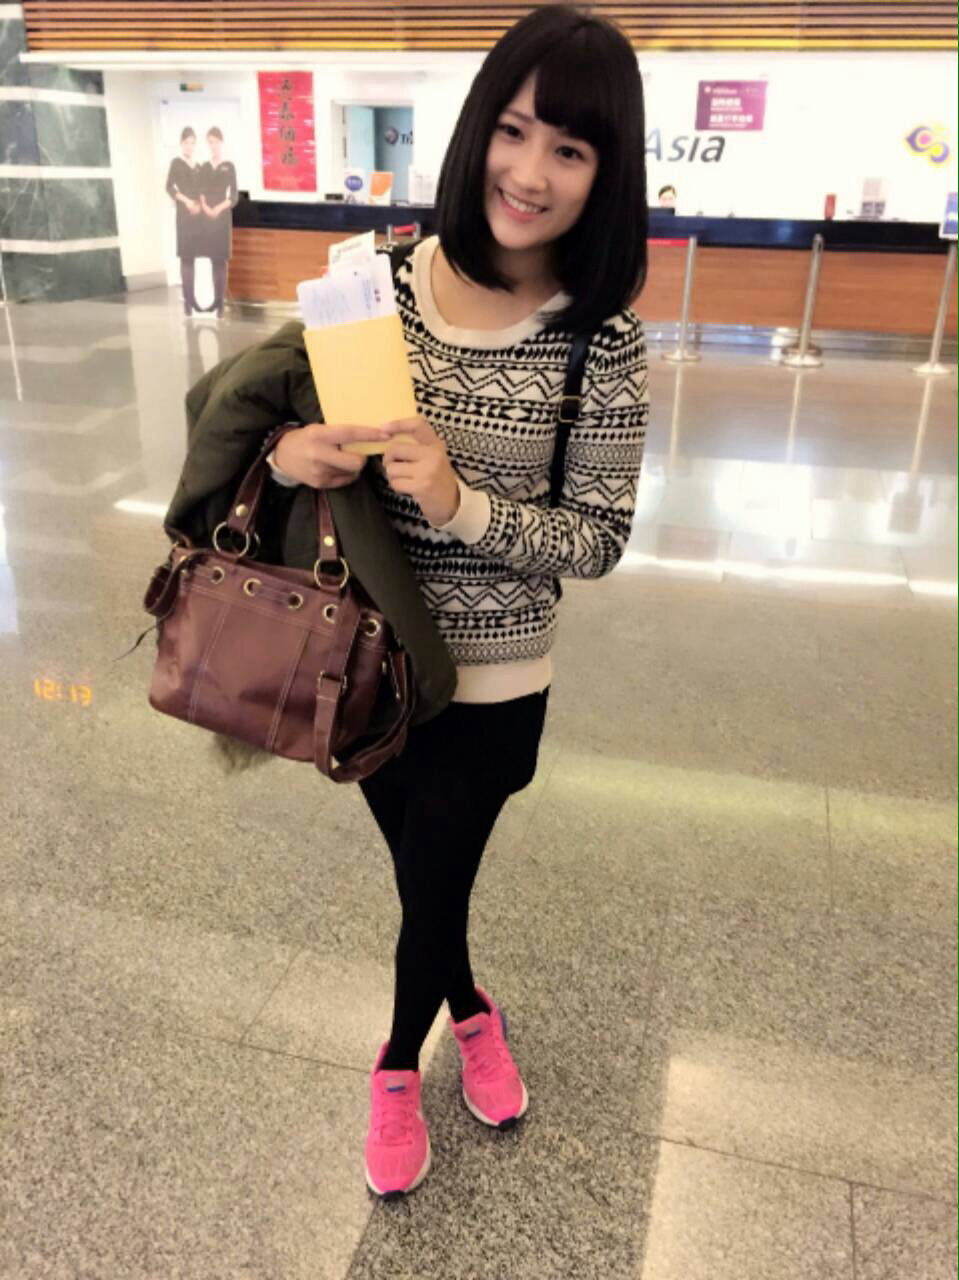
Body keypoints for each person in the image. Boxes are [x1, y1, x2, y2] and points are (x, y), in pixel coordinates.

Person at [269, 3, 649, 1200]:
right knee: (427, 881)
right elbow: (268, 424)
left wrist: (461, 502)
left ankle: (396, 1063)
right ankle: (471, 1006)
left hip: (492, 686)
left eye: (569, 149)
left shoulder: (600, 341)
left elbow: (597, 538)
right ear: (479, 125)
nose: (529, 173)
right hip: (363, 660)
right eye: (515, 130)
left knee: (434, 877)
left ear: (603, 173)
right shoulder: (373, 279)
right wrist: (291, 455)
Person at [198, 126, 239, 319]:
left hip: (222, 216)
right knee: (213, 259)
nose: (212, 146)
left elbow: (234, 196)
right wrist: (206, 208)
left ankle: (221, 301)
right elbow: (200, 192)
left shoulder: (229, 166)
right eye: (209, 142)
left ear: (221, 142)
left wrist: (218, 209)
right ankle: (216, 299)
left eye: (214, 141)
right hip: (207, 217)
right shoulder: (205, 167)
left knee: (221, 259)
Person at [165, 127, 204, 318]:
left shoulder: (199, 166)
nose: (189, 146)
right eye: (187, 142)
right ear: (181, 143)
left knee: (195, 256)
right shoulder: (176, 163)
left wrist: (199, 205)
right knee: (186, 257)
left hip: (197, 215)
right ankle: (187, 300)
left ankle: (195, 297)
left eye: (192, 143)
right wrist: (187, 201)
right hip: (184, 214)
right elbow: (169, 187)